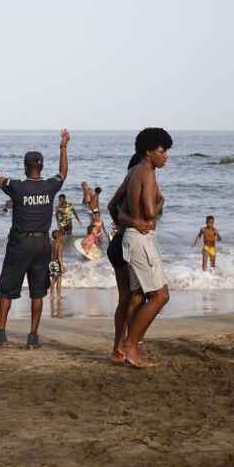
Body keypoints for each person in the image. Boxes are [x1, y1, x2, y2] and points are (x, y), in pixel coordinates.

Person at [0, 130, 69, 350]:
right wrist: (63, 146)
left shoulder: (18, 187)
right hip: (42, 246)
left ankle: (1, 334)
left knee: (6, 290)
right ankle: (33, 337)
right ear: (41, 167)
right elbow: (63, 172)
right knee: (37, 291)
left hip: (20, 245)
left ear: (25, 167)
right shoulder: (50, 186)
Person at [117, 128, 174, 368]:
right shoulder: (148, 173)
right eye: (162, 151)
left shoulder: (133, 171)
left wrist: (130, 222)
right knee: (161, 296)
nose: (166, 156)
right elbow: (151, 212)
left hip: (132, 237)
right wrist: (161, 201)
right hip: (141, 240)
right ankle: (130, 346)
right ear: (149, 151)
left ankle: (130, 346)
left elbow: (115, 207)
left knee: (139, 296)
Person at [106, 153, 156, 365]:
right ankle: (124, 346)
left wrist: (122, 224)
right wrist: (130, 225)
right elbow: (151, 214)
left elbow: (111, 206)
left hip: (117, 242)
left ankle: (123, 346)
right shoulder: (141, 182)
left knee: (130, 297)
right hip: (124, 244)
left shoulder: (129, 185)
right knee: (133, 297)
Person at [49, 229, 64, 301]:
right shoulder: (60, 244)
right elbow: (59, 256)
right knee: (58, 280)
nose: (62, 237)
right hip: (57, 262)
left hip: (52, 262)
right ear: (59, 237)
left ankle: (51, 295)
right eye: (61, 236)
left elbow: (52, 254)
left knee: (53, 280)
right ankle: (58, 295)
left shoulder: (52, 244)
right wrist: (62, 266)